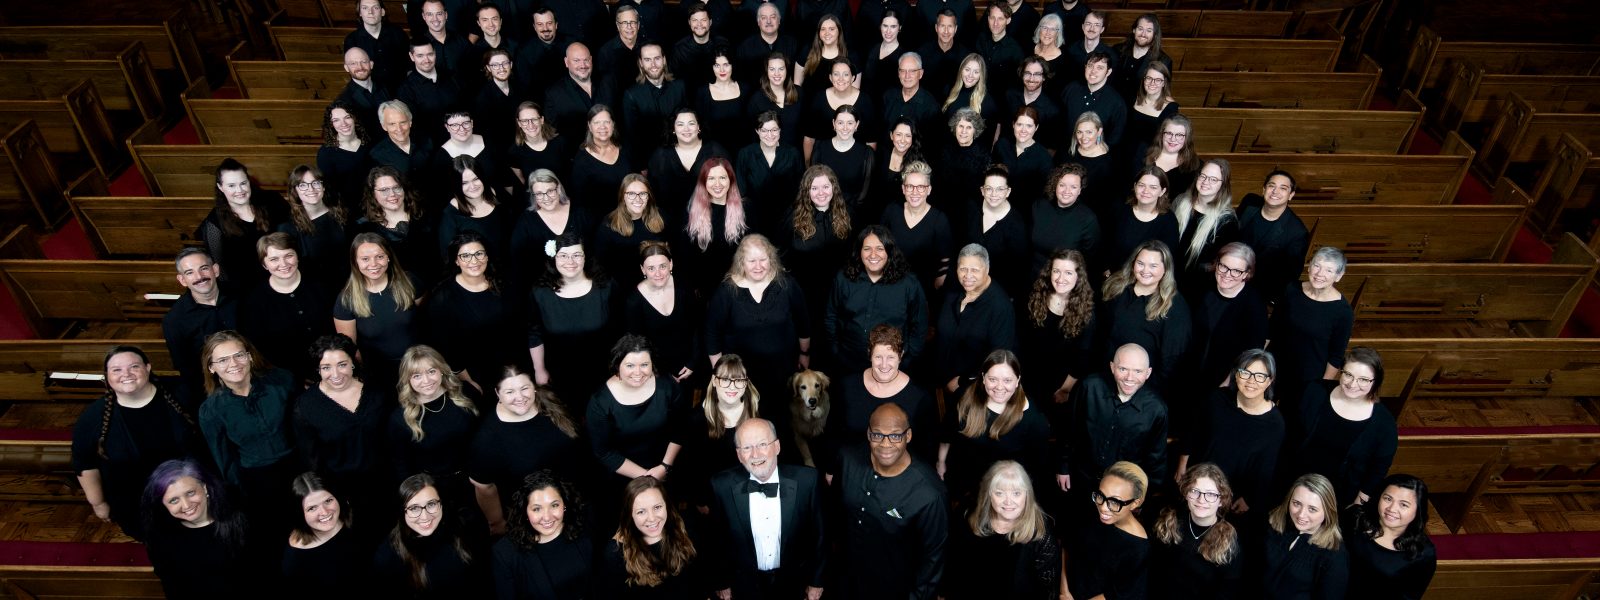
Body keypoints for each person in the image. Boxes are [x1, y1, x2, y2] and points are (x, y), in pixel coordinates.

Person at [72, 346, 202, 541]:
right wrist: (98, 503)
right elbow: (84, 463)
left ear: (148, 368)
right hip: (137, 503)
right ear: (107, 376)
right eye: (116, 370)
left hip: (194, 494)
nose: (126, 374)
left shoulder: (182, 393)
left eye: (134, 366)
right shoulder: (92, 418)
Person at [707, 418, 827, 599]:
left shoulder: (808, 480)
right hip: (744, 585)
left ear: (777, 447)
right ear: (739, 455)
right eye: (747, 448)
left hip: (795, 582)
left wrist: (816, 581)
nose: (755, 454)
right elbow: (716, 540)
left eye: (763, 444)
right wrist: (722, 582)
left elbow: (821, 536)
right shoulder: (720, 486)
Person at [838, 403, 948, 599]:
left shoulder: (930, 493)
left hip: (895, 589)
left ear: (908, 436)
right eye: (877, 435)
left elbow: (933, 558)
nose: (885, 444)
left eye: (896, 436)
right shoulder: (847, 459)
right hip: (846, 582)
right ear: (868, 434)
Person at [196, 331, 298, 537]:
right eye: (223, 360)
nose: (233, 364)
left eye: (239, 355)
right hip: (257, 481)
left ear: (250, 356)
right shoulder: (212, 410)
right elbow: (224, 459)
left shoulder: (282, 381)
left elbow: (304, 430)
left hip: (298, 467)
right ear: (211, 367)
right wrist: (242, 495)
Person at [469, 366, 582, 536]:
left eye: (525, 388)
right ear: (497, 393)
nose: (520, 397)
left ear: (534, 387)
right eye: (510, 392)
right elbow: (484, 488)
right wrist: (497, 523)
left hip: (573, 500)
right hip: (534, 517)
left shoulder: (552, 401)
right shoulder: (487, 439)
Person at [1284, 346, 1398, 508]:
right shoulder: (1313, 391)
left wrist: (1358, 504)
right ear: (1341, 371)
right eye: (1348, 375)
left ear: (1376, 381)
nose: (1353, 384)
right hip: (1292, 483)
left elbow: (1378, 469)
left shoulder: (1384, 423)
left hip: (1337, 499)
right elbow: (1286, 435)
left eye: (1364, 379)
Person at [294, 334, 391, 517]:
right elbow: (311, 460)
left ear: (352, 362)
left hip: (386, 481)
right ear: (318, 369)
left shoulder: (376, 390)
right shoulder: (306, 406)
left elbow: (392, 437)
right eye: (326, 367)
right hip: (343, 492)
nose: (336, 374)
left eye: (342, 364)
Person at [939, 350, 1053, 505]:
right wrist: (941, 462)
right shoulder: (965, 395)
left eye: (1007, 380)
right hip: (963, 479)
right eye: (993, 379)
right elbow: (947, 433)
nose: (999, 387)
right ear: (983, 378)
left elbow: (1036, 470)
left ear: (1017, 380)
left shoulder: (1034, 421)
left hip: (1001, 493)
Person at [1182, 349, 1286, 518]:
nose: (1251, 381)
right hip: (1196, 484)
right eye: (1245, 373)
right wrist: (1182, 464)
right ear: (1236, 374)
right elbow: (1193, 432)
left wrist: (1249, 498)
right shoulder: (1216, 399)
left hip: (1230, 497)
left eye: (1260, 376)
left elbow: (1266, 468)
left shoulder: (1275, 424)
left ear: (1269, 381)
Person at [704, 234, 810, 401]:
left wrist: (805, 353)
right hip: (741, 376)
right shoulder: (726, 291)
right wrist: (720, 372)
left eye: (763, 259)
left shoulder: (787, 284)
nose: (758, 266)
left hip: (782, 369)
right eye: (751, 261)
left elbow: (803, 321)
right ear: (741, 262)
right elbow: (712, 333)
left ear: (771, 259)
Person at [587, 335, 688, 505]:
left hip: (665, 466)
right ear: (617, 365)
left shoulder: (667, 386)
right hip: (623, 474)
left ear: (652, 365)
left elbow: (681, 428)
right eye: (630, 365)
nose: (638, 372)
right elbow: (603, 452)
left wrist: (665, 467)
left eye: (644, 365)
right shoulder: (600, 402)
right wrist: (646, 477)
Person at [1059, 344, 1169, 495]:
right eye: (1123, 369)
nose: (1130, 378)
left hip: (1123, 490)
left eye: (1138, 371)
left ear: (1148, 373)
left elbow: (1156, 459)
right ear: (1112, 367)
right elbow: (1069, 429)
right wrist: (1063, 467)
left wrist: (1143, 497)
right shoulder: (1089, 387)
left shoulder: (1157, 409)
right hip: (1081, 478)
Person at [942, 460, 1060, 600]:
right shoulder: (967, 517)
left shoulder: (1041, 532)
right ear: (989, 495)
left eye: (1016, 493)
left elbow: (1048, 589)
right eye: (999, 493)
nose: (1008, 502)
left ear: (1027, 495)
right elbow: (954, 569)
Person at [140, 459, 253, 599]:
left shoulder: (241, 520)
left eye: (190, 493)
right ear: (163, 504)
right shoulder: (160, 537)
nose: (186, 505)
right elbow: (171, 586)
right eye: (174, 500)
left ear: (205, 488)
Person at [826, 225, 928, 374]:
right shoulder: (843, 279)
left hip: (891, 368)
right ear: (859, 251)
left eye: (880, 248)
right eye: (867, 248)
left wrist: (908, 358)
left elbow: (920, 324)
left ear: (889, 251)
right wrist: (835, 351)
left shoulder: (909, 284)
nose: (873, 255)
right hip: (849, 362)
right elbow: (831, 316)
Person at [423, 233, 520, 391]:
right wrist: (468, 381)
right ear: (456, 260)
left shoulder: (504, 283)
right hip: (477, 374)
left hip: (514, 365)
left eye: (479, 254)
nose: (474, 261)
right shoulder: (442, 298)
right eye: (465, 256)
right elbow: (446, 347)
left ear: (487, 256)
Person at [238, 233, 337, 383]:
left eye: (288, 255)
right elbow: (262, 349)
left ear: (297, 256)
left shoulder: (323, 283)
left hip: (335, 367)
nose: (283, 264)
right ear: (264, 264)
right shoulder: (254, 301)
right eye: (274, 259)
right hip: (289, 378)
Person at [388, 345, 480, 503]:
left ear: (442, 370)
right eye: (416, 376)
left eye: (431, 371)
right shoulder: (400, 418)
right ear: (407, 380)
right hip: (435, 489)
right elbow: (401, 465)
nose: (426, 381)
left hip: (478, 479)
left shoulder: (466, 394)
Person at [373, 473, 488, 597]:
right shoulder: (387, 557)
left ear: (441, 505)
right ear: (402, 512)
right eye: (414, 508)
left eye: (431, 504)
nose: (425, 517)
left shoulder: (465, 529)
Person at [333, 232, 422, 392]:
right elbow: (350, 349)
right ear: (355, 262)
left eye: (380, 256)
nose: (373, 264)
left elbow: (426, 321)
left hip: (418, 366)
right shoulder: (346, 300)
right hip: (380, 375)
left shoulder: (409, 282)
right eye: (365, 259)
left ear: (388, 257)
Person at [1099, 240, 1191, 394]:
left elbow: (1172, 359)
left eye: (1153, 266)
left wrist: (1146, 392)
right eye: (1140, 263)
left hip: (1141, 387)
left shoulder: (1175, 306)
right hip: (1105, 377)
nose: (1145, 270)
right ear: (1133, 263)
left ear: (1165, 270)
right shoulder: (1116, 287)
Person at [491, 470, 596, 599]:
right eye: (537, 509)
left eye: (554, 505)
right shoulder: (505, 554)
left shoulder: (585, 525)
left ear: (564, 504)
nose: (547, 517)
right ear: (525, 512)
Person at [1268, 246, 1355, 398]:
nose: (1320, 274)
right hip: (1274, 365)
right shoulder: (1291, 289)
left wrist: (1320, 387)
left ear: (1339, 276)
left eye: (1329, 270)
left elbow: (1336, 356)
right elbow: (1271, 328)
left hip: (1306, 378)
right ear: (1309, 267)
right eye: (1317, 265)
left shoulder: (1343, 312)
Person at [600, 476, 703, 598]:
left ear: (666, 506)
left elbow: (698, 579)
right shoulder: (615, 553)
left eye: (657, 507)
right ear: (630, 515)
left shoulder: (685, 527)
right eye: (641, 512)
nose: (652, 518)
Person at [1152, 463, 1244, 599]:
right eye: (1195, 491)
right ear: (1186, 493)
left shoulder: (1229, 541)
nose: (1201, 500)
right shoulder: (1168, 523)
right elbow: (1154, 573)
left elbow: (1227, 592)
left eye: (1211, 494)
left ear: (1221, 500)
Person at [935, 243, 1018, 395]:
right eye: (963, 269)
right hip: (940, 377)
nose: (967, 275)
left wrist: (963, 380)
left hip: (972, 387)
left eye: (975, 270)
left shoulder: (1000, 307)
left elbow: (998, 358)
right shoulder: (952, 288)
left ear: (987, 269)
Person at [1018, 249, 1095, 410]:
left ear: (1078, 277)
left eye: (1068, 273)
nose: (1060, 278)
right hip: (1026, 375)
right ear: (1049, 272)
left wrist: (1065, 390)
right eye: (1056, 271)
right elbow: (1020, 340)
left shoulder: (1087, 312)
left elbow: (1082, 359)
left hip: (1060, 384)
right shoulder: (1033, 297)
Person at [1188, 243, 1269, 394]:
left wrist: (1228, 381)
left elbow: (1252, 352)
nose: (1227, 274)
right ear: (1217, 264)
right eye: (1223, 266)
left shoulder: (1254, 305)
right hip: (1188, 369)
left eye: (1236, 271)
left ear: (1246, 274)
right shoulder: (1201, 286)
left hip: (1220, 379)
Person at [163, 248, 239, 405]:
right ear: (182, 280)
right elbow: (186, 368)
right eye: (189, 272)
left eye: (204, 268)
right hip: (216, 390)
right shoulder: (174, 320)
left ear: (215, 270)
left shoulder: (242, 295)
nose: (199, 277)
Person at [1344, 474, 1438, 600]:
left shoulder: (1423, 552)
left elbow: (1410, 596)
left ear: (1418, 510)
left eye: (1403, 505)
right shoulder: (1356, 517)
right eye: (1388, 499)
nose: (1392, 509)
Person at [1066, 461, 1151, 600]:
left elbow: (1116, 595)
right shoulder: (1091, 510)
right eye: (1100, 495)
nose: (1103, 508)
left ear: (1135, 503)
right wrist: (1064, 591)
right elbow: (1067, 544)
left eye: (1114, 502)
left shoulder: (1138, 548)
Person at [199, 159, 286, 292]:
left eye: (243, 183)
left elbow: (292, 237)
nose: (239, 190)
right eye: (231, 185)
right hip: (247, 288)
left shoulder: (272, 201)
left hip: (284, 274)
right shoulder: (213, 224)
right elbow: (221, 270)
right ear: (220, 187)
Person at [781, 164, 854, 324]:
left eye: (826, 187)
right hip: (804, 290)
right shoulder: (792, 216)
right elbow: (781, 254)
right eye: (814, 188)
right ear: (807, 191)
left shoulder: (847, 212)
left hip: (838, 291)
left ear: (834, 187)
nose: (821, 193)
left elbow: (852, 253)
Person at [624, 242, 703, 387]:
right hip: (657, 372)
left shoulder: (684, 287)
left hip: (691, 363)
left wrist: (693, 362)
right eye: (651, 268)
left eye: (662, 266)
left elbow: (698, 326)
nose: (658, 273)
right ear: (643, 269)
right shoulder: (634, 301)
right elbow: (637, 345)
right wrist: (661, 374)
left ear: (671, 265)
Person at [1262, 473, 1349, 599]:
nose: (1301, 515)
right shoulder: (1272, 524)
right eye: (1296, 503)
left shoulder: (1335, 556)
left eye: (1312, 509)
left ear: (1328, 512)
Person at [280, 472, 368, 595]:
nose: (324, 512)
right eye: (312, 508)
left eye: (328, 500)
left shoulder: (356, 517)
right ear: (300, 514)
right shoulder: (294, 561)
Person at [354, 165, 441, 287]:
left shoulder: (425, 216)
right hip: (393, 292)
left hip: (433, 287)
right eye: (384, 190)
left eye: (397, 188)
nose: (392, 194)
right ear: (373, 194)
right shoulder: (364, 228)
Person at [509, 169, 593, 292]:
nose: (546, 198)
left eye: (550, 191)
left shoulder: (580, 213)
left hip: (582, 281)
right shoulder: (526, 222)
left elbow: (594, 251)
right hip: (546, 287)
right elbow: (518, 261)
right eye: (539, 194)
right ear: (533, 195)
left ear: (558, 189)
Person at [883, 160, 953, 306]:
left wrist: (936, 288)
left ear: (929, 190)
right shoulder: (891, 211)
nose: (915, 192)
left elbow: (945, 259)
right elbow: (879, 246)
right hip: (889, 284)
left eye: (921, 187)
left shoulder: (939, 220)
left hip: (922, 291)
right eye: (910, 186)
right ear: (903, 189)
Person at [680, 157, 752, 297]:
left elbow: (752, 249)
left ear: (730, 180)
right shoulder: (692, 211)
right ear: (703, 182)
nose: (717, 184)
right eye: (711, 178)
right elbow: (686, 255)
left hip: (740, 285)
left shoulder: (747, 208)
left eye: (722, 178)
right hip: (705, 288)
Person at [1237, 170, 1310, 307]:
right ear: (1264, 189)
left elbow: (1289, 276)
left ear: (1291, 195)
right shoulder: (1249, 202)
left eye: (1283, 188)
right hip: (1229, 273)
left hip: (1258, 290)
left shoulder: (1297, 233)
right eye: (1272, 186)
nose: (1275, 192)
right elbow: (1231, 234)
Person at [1173, 159, 1240, 299]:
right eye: (1203, 176)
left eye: (1213, 179)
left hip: (1196, 286)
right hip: (1168, 274)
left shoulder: (1227, 221)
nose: (1205, 181)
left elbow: (1217, 263)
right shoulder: (1180, 202)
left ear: (1223, 185)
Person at [280, 164, 351, 294]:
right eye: (303, 185)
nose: (311, 189)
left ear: (323, 186)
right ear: (295, 191)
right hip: (315, 291)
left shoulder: (343, 215)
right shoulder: (288, 228)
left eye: (315, 183)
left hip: (350, 284)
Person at [649, 107, 730, 219]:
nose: (686, 129)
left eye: (691, 124)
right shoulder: (659, 156)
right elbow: (652, 193)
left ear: (699, 127)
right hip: (669, 219)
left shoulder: (716, 152)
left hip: (710, 218)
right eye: (680, 124)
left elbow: (729, 188)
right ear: (673, 129)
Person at [961, 165, 1030, 297]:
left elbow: (1017, 270)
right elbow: (960, 245)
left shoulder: (1017, 225)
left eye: (1000, 189)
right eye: (989, 189)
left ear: (1008, 192)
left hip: (996, 289)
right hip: (965, 280)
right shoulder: (971, 208)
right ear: (982, 190)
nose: (994, 194)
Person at [735, 110, 805, 236]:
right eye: (764, 130)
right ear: (757, 131)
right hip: (754, 219)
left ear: (780, 130)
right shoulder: (745, 154)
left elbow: (800, 188)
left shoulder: (793, 153)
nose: (770, 135)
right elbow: (741, 190)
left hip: (787, 219)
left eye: (774, 130)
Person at [439, 156, 514, 269]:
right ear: (456, 185)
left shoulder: (498, 195)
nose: (473, 186)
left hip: (510, 267)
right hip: (478, 274)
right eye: (464, 183)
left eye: (476, 179)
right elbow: (449, 258)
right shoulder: (450, 215)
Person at [1103, 167, 1180, 276]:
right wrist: (1106, 269)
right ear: (1135, 187)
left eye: (1153, 187)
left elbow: (1167, 259)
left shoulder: (1169, 221)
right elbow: (1105, 243)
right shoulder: (1119, 211)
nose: (1145, 191)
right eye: (1141, 185)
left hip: (1148, 279)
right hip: (1115, 276)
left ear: (1162, 191)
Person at [624, 42, 690, 168]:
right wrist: (642, 167)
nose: (653, 64)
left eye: (657, 58)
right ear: (641, 63)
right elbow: (632, 138)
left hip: (682, 158)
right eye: (647, 60)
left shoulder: (680, 87)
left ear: (664, 60)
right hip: (651, 163)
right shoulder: (631, 95)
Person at [594, 175, 669, 286]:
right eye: (631, 194)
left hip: (658, 281)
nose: (637, 199)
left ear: (648, 196)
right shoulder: (609, 225)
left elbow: (674, 252)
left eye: (642, 194)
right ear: (623, 197)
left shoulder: (662, 217)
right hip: (623, 286)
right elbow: (600, 263)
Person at [1029, 163, 1099, 277]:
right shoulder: (1039, 206)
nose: (1067, 191)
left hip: (1063, 279)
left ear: (1080, 190)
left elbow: (1089, 258)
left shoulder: (1088, 219)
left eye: (1073, 187)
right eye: (1062, 185)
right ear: (1055, 185)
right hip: (1034, 273)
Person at [808, 105, 875, 215]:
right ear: (834, 124)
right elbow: (812, 184)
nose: (845, 128)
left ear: (856, 125)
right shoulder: (820, 147)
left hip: (852, 213)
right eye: (840, 123)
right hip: (822, 210)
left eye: (850, 123)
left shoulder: (866, 153)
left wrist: (844, 212)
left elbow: (865, 193)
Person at [568, 105, 634, 217]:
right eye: (597, 123)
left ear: (613, 125)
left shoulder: (625, 150)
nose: (602, 127)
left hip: (629, 214)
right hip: (601, 220)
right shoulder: (582, 160)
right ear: (589, 126)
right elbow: (580, 201)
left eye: (607, 122)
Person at [544, 43, 617, 143]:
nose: (583, 65)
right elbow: (551, 132)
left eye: (586, 60)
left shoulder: (608, 82)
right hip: (575, 155)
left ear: (591, 60)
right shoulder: (554, 93)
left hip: (611, 149)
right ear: (566, 62)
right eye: (576, 61)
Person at [804, 59, 872, 163]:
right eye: (836, 74)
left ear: (853, 77)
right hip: (824, 160)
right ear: (830, 77)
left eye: (845, 74)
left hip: (856, 160)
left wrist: (868, 168)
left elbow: (871, 141)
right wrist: (809, 167)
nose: (840, 79)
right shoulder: (819, 99)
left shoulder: (865, 100)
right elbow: (809, 138)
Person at [935, 108, 989, 231]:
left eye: (969, 127)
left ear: (975, 130)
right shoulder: (945, 150)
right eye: (961, 126)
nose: (963, 131)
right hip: (945, 207)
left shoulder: (983, 154)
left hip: (970, 212)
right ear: (955, 127)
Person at [992, 107, 1052, 210]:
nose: (1023, 130)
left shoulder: (1043, 156)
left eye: (1029, 126)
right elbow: (991, 176)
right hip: (997, 204)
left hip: (1026, 211)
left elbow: (1044, 193)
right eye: (1019, 125)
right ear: (1013, 125)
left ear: (1036, 128)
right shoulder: (1002, 145)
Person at [317, 101, 374, 211]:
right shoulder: (326, 153)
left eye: (347, 117)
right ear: (331, 124)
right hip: (349, 210)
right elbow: (330, 190)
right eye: (336, 120)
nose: (343, 124)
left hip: (377, 205)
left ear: (354, 118)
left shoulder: (370, 144)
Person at [1062, 49, 1126, 148]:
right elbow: (1060, 124)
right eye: (1090, 66)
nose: (1093, 71)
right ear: (1085, 67)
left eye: (1100, 68)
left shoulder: (1117, 103)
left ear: (1108, 72)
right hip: (1067, 150)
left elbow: (1114, 140)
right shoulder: (1071, 89)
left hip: (1097, 156)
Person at [438, 114, 507, 202]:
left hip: (498, 200)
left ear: (472, 123)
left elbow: (505, 178)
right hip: (466, 208)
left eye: (466, 123)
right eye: (455, 125)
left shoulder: (489, 142)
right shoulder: (441, 158)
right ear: (447, 127)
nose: (462, 129)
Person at [344, 0, 410, 90]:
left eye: (375, 7)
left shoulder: (398, 33)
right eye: (365, 8)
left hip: (402, 89)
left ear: (382, 12)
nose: (370, 12)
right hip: (372, 93)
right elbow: (355, 73)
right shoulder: (352, 40)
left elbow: (409, 64)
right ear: (359, 13)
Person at [696, 49, 751, 154]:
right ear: (712, 67)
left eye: (726, 64)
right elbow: (702, 128)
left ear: (732, 65)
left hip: (743, 151)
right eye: (717, 65)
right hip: (714, 153)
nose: (722, 70)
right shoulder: (703, 92)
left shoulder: (745, 89)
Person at [1123, 61, 1179, 165]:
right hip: (1125, 153)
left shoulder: (1171, 107)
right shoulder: (1133, 99)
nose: (1152, 83)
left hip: (1148, 158)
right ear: (1144, 80)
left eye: (1158, 80)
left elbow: (1165, 140)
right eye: (1149, 78)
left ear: (1164, 83)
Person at [880, 53, 941, 148]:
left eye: (912, 71)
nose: (907, 76)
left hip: (915, 159)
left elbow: (932, 144)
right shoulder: (888, 97)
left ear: (920, 74)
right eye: (903, 71)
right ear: (898, 73)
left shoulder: (931, 106)